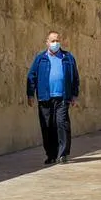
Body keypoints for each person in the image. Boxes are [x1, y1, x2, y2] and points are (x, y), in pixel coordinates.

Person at [26, 31, 80, 165]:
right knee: (47, 126)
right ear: (47, 43)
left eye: (57, 40)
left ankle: (63, 154)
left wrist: (74, 95)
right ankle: (51, 154)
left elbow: (75, 77)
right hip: (45, 98)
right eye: (53, 41)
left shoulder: (68, 57)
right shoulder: (40, 58)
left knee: (62, 124)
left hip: (62, 97)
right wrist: (30, 94)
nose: (55, 43)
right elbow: (31, 76)